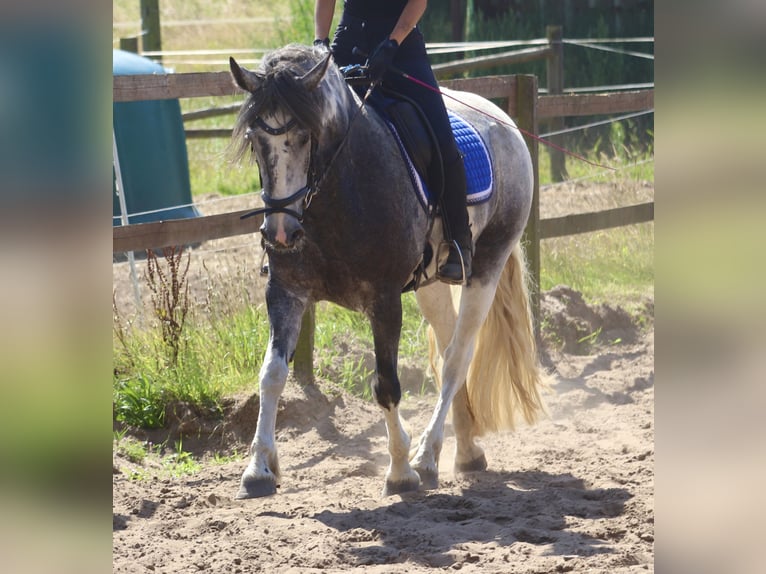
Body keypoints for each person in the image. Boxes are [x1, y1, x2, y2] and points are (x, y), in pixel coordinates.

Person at [314, 0, 472, 284]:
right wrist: (319, 42)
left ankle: (460, 242)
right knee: (310, 130)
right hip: (348, 42)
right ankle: (296, 240)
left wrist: (392, 43)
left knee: (441, 137)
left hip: (401, 47)